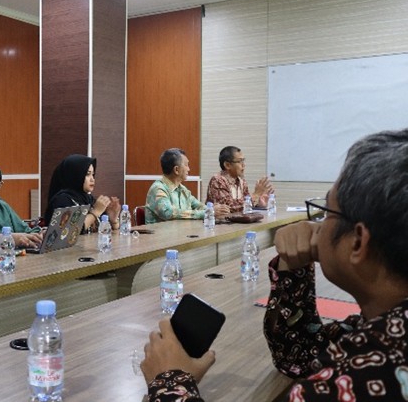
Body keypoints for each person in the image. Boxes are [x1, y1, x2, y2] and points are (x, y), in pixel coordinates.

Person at [140, 128, 408, 401]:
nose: (315, 225)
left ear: (358, 241)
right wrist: (294, 265)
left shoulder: (365, 376)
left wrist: (170, 381)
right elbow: (300, 356)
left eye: (327, 212)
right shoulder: (382, 329)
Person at [145, 148, 229, 224]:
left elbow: (197, 205)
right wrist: (208, 212)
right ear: (176, 170)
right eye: (186, 165)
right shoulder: (158, 188)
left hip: (180, 234)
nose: (189, 169)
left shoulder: (182, 189)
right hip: (160, 235)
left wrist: (212, 209)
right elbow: (168, 213)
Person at [43, 154, 121, 233]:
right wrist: (95, 212)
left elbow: (104, 231)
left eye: (93, 174)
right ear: (74, 175)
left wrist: (113, 221)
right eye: (87, 174)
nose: (92, 179)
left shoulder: (88, 199)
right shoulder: (62, 200)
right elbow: (70, 231)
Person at [206, 146, 274, 213]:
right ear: (227, 165)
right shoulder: (218, 180)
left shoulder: (242, 181)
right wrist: (255, 195)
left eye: (243, 160)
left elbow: (245, 207)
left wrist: (259, 203)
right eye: (239, 161)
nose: (243, 165)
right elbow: (228, 208)